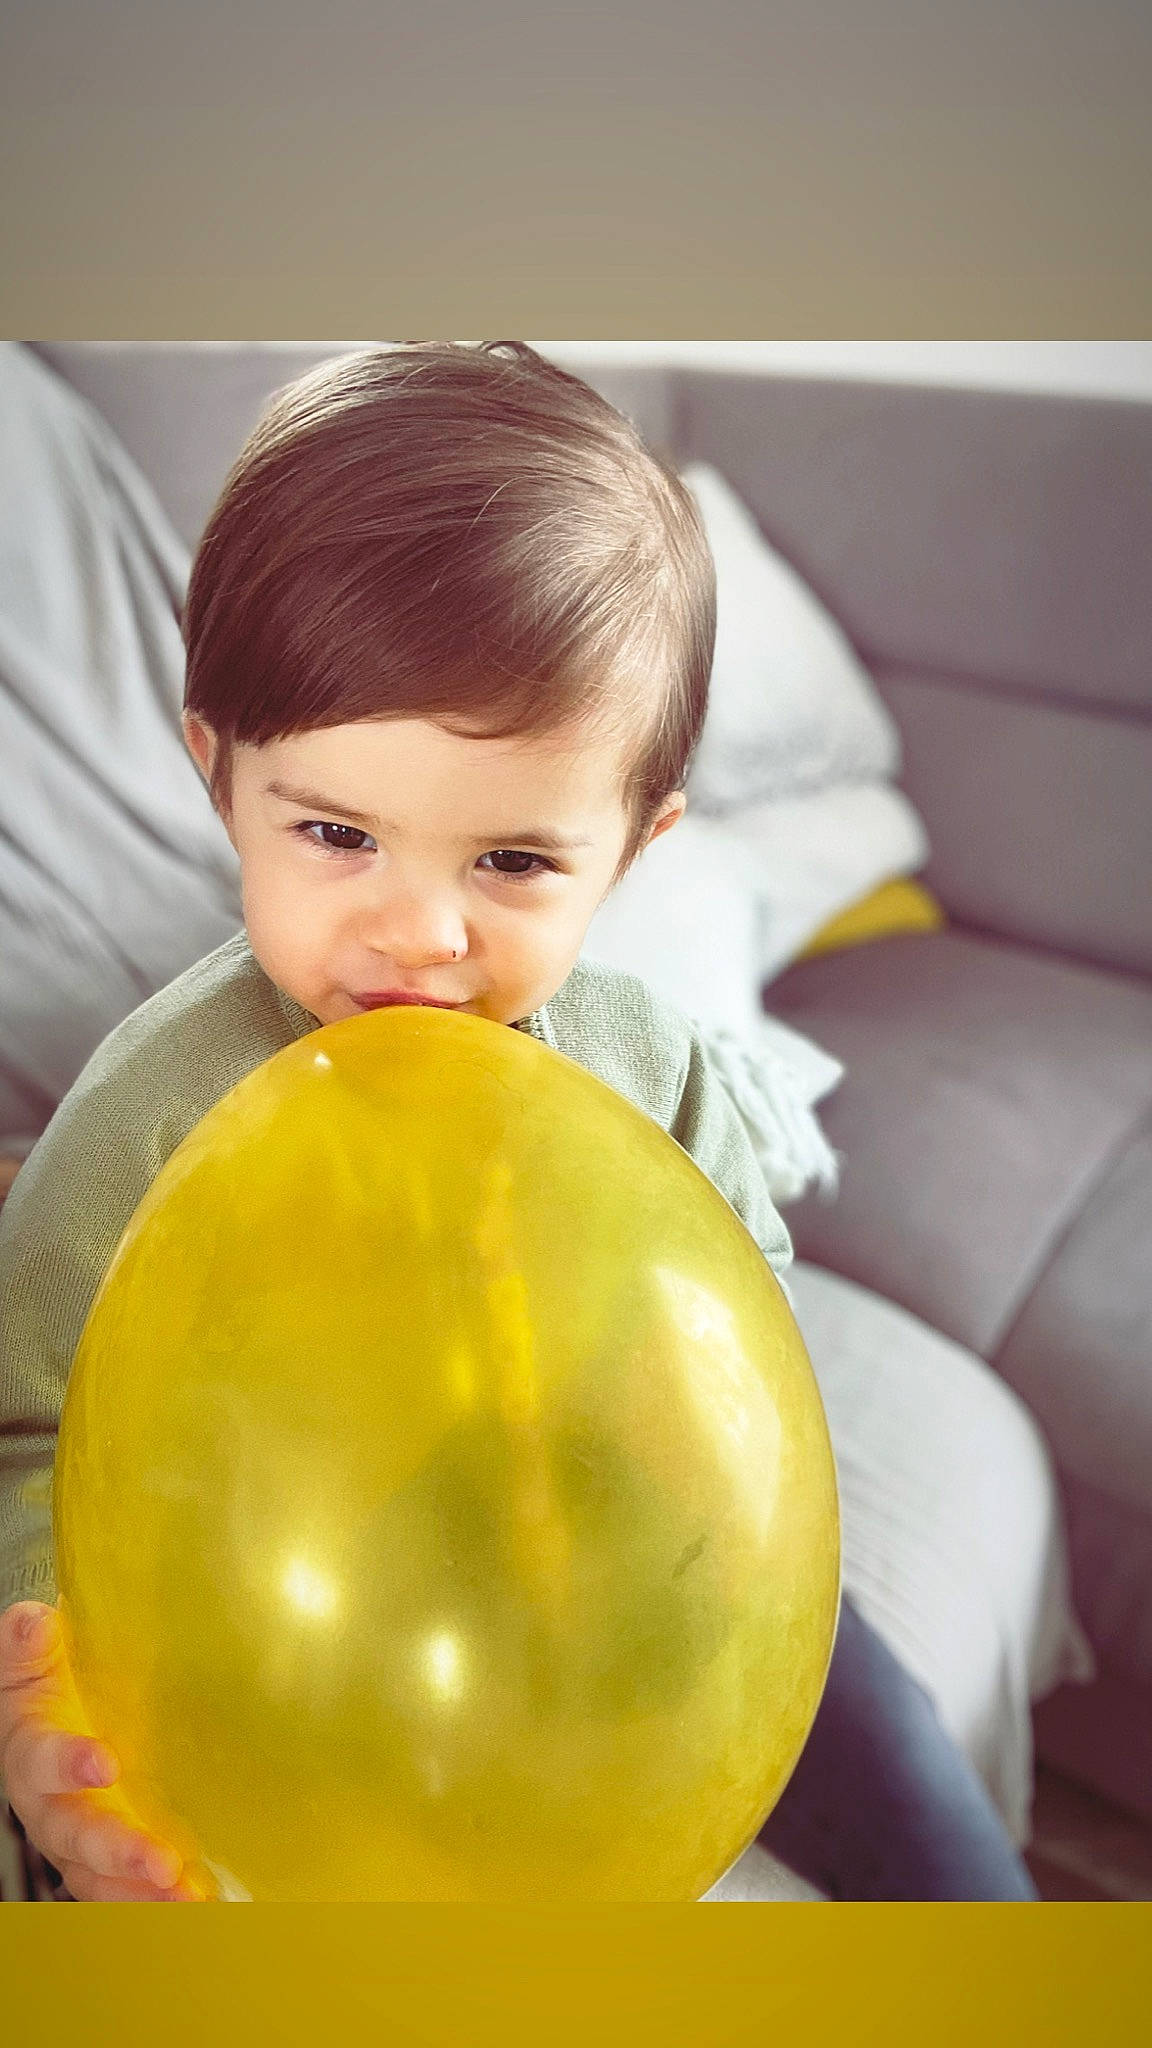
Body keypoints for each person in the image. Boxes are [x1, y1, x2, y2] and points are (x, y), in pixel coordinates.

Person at [0, 342, 1036, 1902]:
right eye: (338, 835)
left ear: (633, 848)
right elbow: (25, 1431)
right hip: (284, 1623)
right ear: (223, 779)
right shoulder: (156, 1112)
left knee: (925, 1821)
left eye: (514, 864)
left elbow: (733, 1322)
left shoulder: (654, 1072)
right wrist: (51, 1690)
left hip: (625, 1590)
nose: (419, 937)